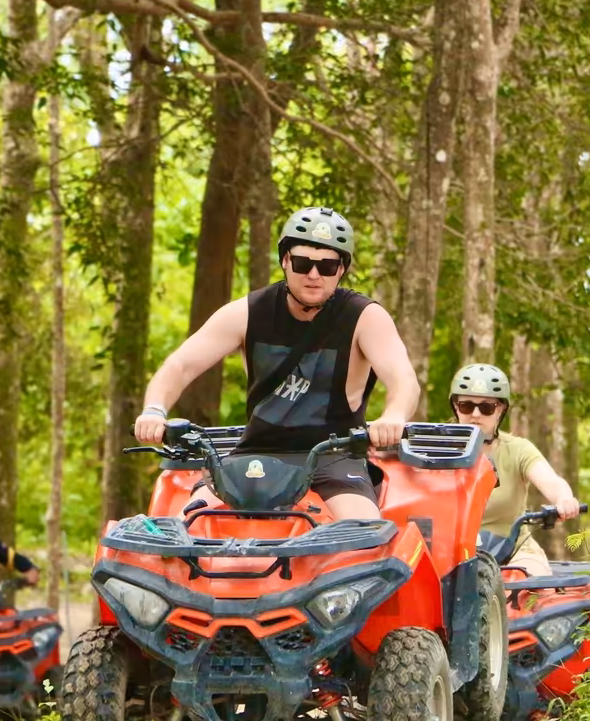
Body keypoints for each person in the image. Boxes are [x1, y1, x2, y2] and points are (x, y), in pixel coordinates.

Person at [134, 206, 420, 519]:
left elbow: (403, 379)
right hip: (255, 453)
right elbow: (180, 366)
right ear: (285, 260)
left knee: (364, 532)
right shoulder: (248, 312)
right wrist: (154, 410)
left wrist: (393, 415)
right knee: (188, 522)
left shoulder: (365, 318)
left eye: (327, 266)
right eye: (302, 263)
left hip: (334, 457)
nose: (313, 274)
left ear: (341, 269)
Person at [449, 363, 580, 575]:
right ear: (455, 407)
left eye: (486, 407)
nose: (475, 414)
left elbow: (551, 481)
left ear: (500, 409)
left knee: (529, 583)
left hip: (512, 549)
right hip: (450, 550)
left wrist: (564, 499)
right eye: (466, 405)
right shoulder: (436, 450)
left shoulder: (518, 450)